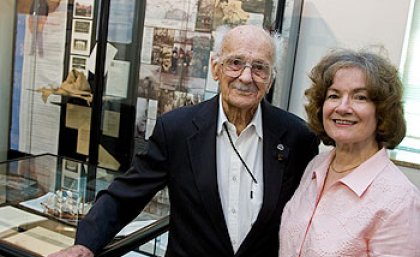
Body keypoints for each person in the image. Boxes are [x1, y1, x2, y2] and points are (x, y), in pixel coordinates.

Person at [48, 24, 319, 257]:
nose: (246, 77)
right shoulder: (176, 129)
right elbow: (126, 195)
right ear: (216, 68)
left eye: (259, 68)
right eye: (235, 63)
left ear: (270, 79)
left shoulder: (297, 138)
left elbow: (306, 221)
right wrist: (85, 244)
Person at [279, 48, 420, 256]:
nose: (343, 107)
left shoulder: (400, 200)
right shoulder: (316, 166)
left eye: (360, 97)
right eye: (334, 95)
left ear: (382, 111)